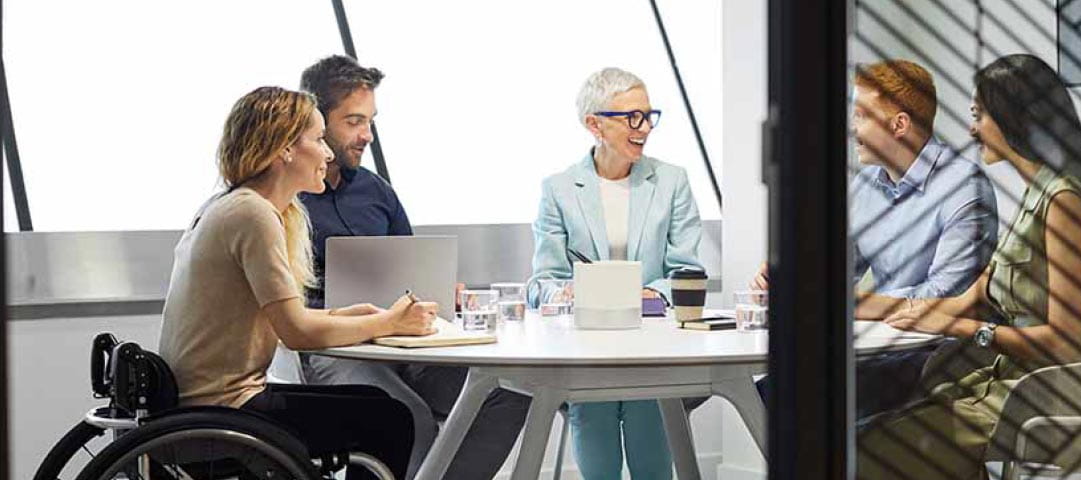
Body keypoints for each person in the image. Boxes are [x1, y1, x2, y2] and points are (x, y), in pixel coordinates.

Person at [853, 54, 1081, 479]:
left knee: (866, 448)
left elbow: (1069, 342)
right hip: (1011, 381)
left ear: (1013, 117)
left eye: (979, 115)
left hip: (1049, 393)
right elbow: (969, 297)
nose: (971, 128)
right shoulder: (1037, 196)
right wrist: (905, 312)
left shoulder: (1064, 203)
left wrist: (968, 330)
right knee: (875, 429)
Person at [158, 86, 438, 479]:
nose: (326, 153)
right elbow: (296, 332)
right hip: (224, 409)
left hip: (209, 403)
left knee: (377, 406)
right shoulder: (252, 215)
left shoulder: (234, 207)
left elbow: (285, 315)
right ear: (285, 148)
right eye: (318, 139)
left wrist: (348, 313)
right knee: (389, 417)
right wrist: (390, 323)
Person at [295, 55, 528, 480]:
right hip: (333, 349)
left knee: (507, 393)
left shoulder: (375, 190)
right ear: (315, 119)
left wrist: (437, 288)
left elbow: (411, 268)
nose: (366, 135)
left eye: (370, 121)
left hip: (401, 341)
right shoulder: (288, 197)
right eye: (353, 122)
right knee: (405, 414)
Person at [753, 59, 1000, 419]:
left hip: (937, 355)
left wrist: (849, 304)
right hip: (878, 346)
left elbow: (946, 296)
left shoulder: (966, 187)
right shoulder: (865, 184)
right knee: (771, 387)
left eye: (861, 116)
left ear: (899, 124)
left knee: (788, 393)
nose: (852, 129)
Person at [527, 67, 706, 480]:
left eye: (648, 115)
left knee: (651, 438)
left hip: (653, 342)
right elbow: (543, 282)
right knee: (596, 430)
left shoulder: (672, 181)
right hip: (587, 345)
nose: (643, 127)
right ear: (594, 124)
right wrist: (564, 293)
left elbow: (686, 271)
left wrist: (649, 295)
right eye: (631, 117)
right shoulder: (558, 189)